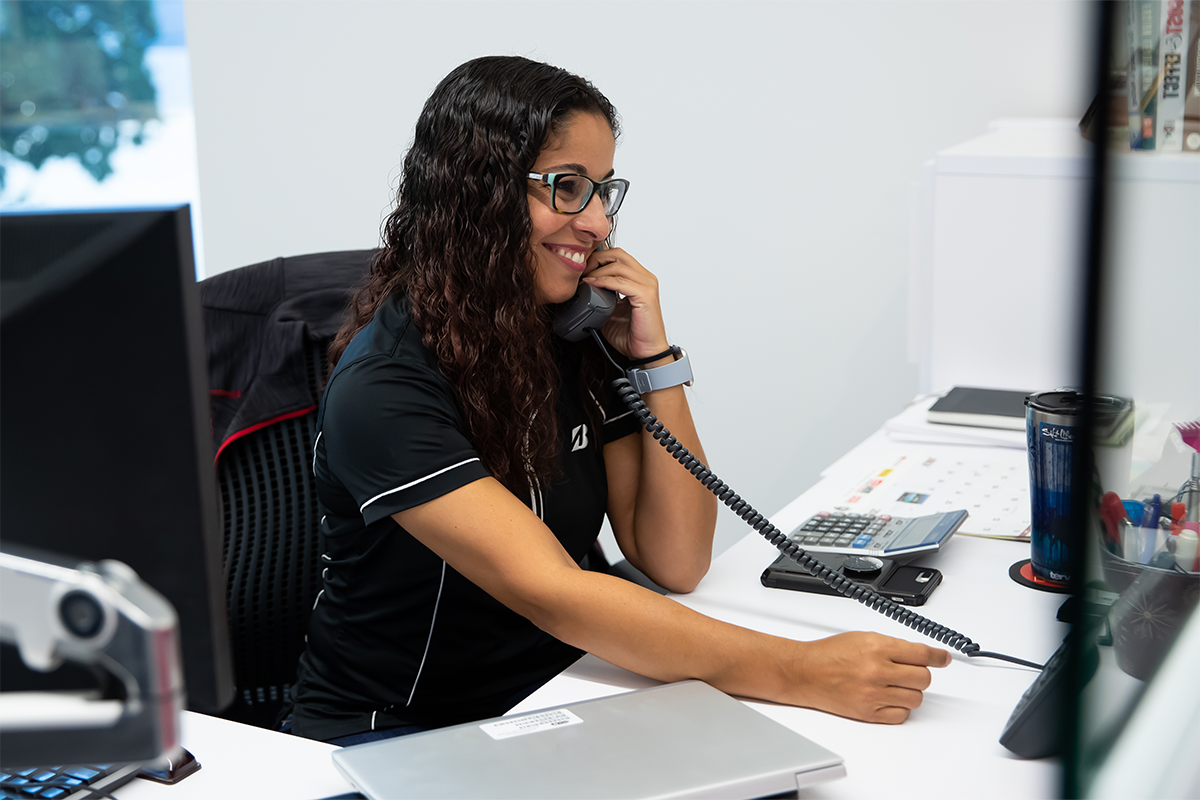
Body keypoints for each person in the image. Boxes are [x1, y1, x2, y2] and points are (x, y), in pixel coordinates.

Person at [286, 55, 950, 744]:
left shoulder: (570, 335)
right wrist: (800, 671)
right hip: (407, 731)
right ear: (476, 192)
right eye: (567, 187)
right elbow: (550, 588)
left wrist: (652, 358)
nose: (599, 223)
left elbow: (676, 558)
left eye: (602, 191)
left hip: (563, 691)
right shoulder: (385, 386)